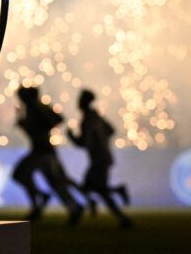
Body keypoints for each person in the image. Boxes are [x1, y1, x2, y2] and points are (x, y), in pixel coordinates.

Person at [12, 86, 83, 223]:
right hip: (43, 151)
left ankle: (41, 202)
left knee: (21, 174)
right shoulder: (37, 108)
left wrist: (33, 127)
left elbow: (53, 121)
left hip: (42, 151)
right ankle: (72, 206)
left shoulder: (36, 109)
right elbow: (58, 118)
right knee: (54, 182)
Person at [67, 89, 132, 228]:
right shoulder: (96, 116)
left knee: (95, 190)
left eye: (80, 99)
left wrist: (71, 136)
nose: (77, 102)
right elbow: (111, 130)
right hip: (102, 158)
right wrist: (102, 140)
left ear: (84, 102)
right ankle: (120, 214)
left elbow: (84, 143)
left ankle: (120, 207)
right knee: (92, 188)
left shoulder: (87, 120)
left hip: (99, 160)